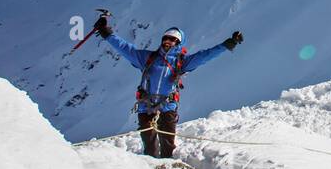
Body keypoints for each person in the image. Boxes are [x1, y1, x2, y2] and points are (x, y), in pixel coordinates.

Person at [94, 15, 243, 158]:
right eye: (165, 38)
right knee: (149, 146)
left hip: (167, 108)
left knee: (168, 147)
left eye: (172, 39)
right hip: (146, 107)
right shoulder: (148, 58)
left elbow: (205, 56)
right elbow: (125, 48)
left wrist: (226, 45)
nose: (167, 41)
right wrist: (106, 33)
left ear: (178, 43)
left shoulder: (182, 62)